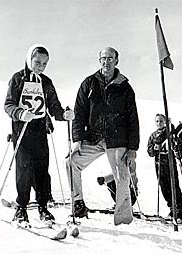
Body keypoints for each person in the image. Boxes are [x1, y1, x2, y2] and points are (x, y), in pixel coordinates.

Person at [66, 47, 140, 225]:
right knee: (71, 162)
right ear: (99, 60)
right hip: (93, 137)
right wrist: (77, 140)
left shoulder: (125, 88)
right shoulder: (89, 83)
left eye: (110, 58)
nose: (106, 62)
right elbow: (80, 113)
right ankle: (78, 204)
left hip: (117, 140)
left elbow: (133, 119)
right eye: (103, 58)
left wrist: (132, 148)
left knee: (122, 176)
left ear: (117, 61)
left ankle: (123, 217)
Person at [4, 44, 74, 225]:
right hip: (22, 130)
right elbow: (9, 104)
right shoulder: (18, 78)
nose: (40, 66)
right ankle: (21, 208)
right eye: (37, 62)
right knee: (24, 169)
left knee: (42, 170)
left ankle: (43, 207)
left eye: (44, 63)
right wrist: (19, 113)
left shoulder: (46, 82)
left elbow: (54, 106)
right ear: (29, 59)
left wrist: (63, 115)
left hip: (40, 130)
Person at [147, 114, 182, 221]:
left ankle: (180, 212)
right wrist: (154, 149)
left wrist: (176, 147)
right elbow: (150, 152)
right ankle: (172, 210)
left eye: (161, 121)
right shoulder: (153, 136)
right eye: (157, 121)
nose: (159, 123)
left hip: (170, 162)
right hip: (159, 163)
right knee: (164, 187)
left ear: (165, 122)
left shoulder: (171, 134)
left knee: (173, 186)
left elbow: (180, 154)